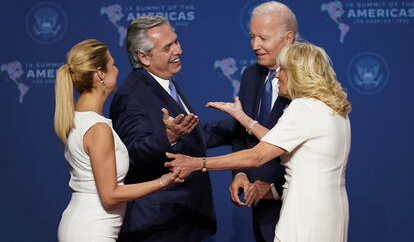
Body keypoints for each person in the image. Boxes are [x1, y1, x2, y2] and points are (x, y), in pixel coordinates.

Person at [166, 42, 352, 242]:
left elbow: (256, 156)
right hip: (331, 210)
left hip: (305, 213)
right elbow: (277, 139)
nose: (277, 75)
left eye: (283, 69)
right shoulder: (330, 108)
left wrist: (197, 163)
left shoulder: (302, 108)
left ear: (299, 74)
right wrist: (242, 117)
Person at [110, 15, 232, 241]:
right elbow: (133, 152)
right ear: (144, 57)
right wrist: (168, 137)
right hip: (161, 226)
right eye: (168, 47)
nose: (179, 50)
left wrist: (239, 124)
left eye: (176, 41)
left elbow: (192, 136)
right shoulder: (132, 96)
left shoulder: (164, 83)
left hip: (185, 221)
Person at [54, 39, 182, 242]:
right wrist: (163, 181)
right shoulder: (98, 129)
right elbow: (110, 194)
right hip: (92, 231)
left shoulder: (79, 119)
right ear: (100, 74)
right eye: (112, 64)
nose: (117, 70)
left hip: (84, 226)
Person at [225, 1, 296, 242]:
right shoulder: (251, 75)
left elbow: (307, 149)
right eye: (252, 37)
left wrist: (274, 190)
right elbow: (241, 134)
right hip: (260, 210)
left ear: (288, 38)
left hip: (295, 208)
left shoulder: (309, 78)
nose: (255, 46)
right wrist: (240, 173)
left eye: (263, 38)